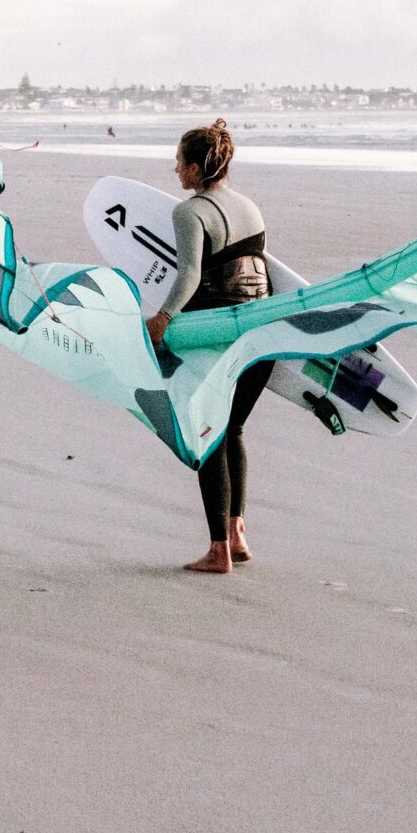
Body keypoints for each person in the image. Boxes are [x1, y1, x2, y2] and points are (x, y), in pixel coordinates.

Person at [145, 119, 273, 575]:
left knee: (209, 434)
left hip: (215, 338)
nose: (176, 170)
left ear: (197, 168)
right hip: (261, 337)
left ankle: (218, 551)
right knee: (233, 429)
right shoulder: (251, 208)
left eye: (180, 162)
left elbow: (189, 277)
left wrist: (162, 320)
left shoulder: (190, 211)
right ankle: (236, 535)